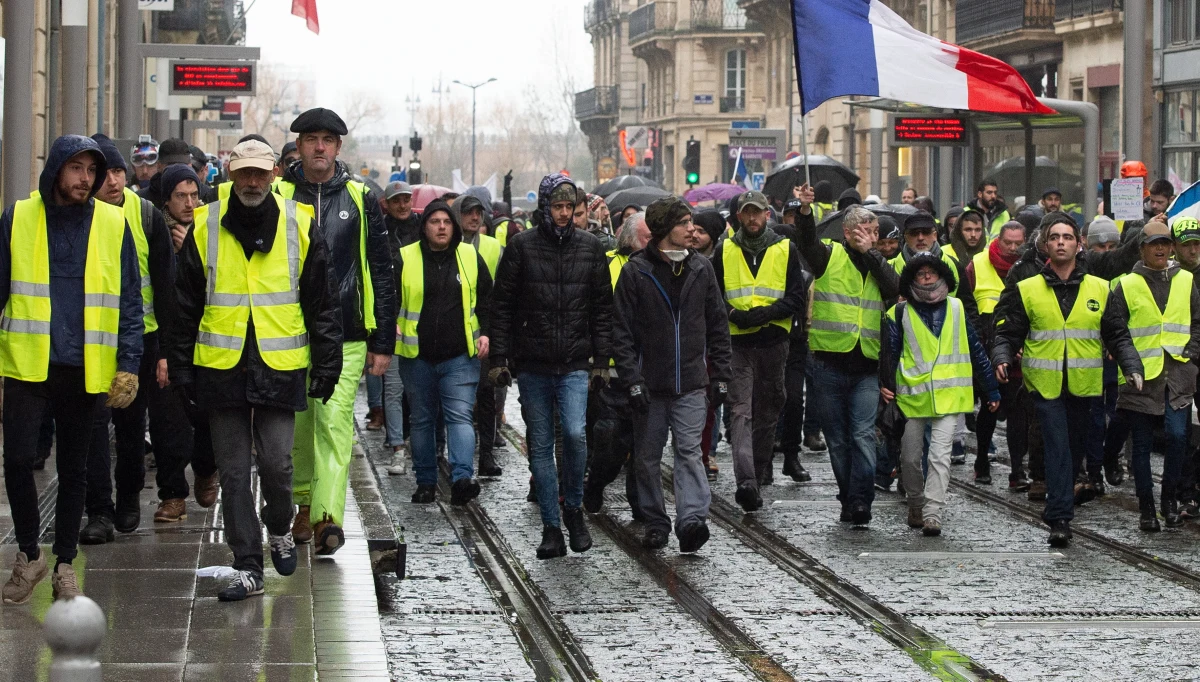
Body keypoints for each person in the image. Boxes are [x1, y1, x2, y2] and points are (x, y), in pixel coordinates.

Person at [169, 139, 342, 601]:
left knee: (277, 464)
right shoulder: (204, 224)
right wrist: (182, 368)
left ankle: (281, 526)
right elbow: (183, 306)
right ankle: (247, 564)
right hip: (220, 364)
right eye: (243, 173)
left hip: (279, 363)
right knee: (232, 471)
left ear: (273, 175)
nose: (250, 182)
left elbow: (321, 303)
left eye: (259, 174)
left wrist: (328, 360)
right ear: (229, 174)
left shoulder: (300, 225)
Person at [1, 135, 144, 603]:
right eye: (76, 168)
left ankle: (64, 562)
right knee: (19, 459)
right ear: (57, 170)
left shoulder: (112, 221)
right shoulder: (18, 217)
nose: (85, 179)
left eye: (92, 170)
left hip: (87, 365)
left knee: (75, 469)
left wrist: (128, 363)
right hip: (28, 363)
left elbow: (128, 299)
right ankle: (29, 554)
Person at [277, 108, 397, 556]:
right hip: (291, 329)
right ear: (300, 146)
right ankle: (304, 504)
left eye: (328, 139)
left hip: (347, 332)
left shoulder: (361, 197)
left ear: (339, 147)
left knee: (333, 421)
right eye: (312, 139)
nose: (320, 147)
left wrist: (382, 340)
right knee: (300, 423)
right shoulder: (280, 193)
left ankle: (329, 517)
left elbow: (381, 270)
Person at [488, 173, 613, 559]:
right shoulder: (521, 247)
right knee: (541, 445)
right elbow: (502, 306)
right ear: (546, 207)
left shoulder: (591, 248)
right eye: (557, 207)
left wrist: (602, 361)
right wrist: (499, 359)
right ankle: (550, 526)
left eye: (570, 208)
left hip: (575, 361)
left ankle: (572, 507)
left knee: (575, 435)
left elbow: (602, 308)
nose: (563, 214)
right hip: (534, 363)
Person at [79, 135, 187, 544]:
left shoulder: (145, 216)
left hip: (140, 341)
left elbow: (164, 286)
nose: (113, 180)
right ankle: (99, 511)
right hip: (91, 343)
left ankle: (127, 501)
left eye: (119, 171)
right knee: (92, 430)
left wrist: (164, 353)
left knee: (129, 430)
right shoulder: (79, 216)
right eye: (104, 173)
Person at [612, 197, 732, 552]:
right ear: (665, 230)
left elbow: (717, 325)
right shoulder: (636, 272)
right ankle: (655, 521)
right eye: (684, 223)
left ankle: (692, 520)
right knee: (647, 456)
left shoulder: (701, 269)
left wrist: (721, 373)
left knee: (689, 451)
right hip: (649, 385)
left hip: (692, 382)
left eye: (691, 222)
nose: (692, 229)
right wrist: (632, 379)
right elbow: (622, 333)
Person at [992, 216, 1114, 547]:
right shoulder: (1027, 286)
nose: (1061, 242)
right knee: (1058, 445)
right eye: (1055, 237)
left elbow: (1116, 331)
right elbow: (1008, 329)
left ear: (1078, 244)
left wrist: (1130, 363)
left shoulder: (1099, 288)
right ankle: (1060, 517)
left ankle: (1060, 499)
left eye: (1067, 237)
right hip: (1043, 384)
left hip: (1083, 384)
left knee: (1074, 449)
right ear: (1046, 245)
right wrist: (1002, 355)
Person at [881, 255, 999, 536]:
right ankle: (916, 502)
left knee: (940, 456)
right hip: (911, 397)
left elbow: (976, 350)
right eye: (920, 274)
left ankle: (932, 513)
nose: (926, 278)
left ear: (942, 277)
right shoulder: (899, 313)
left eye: (931, 273)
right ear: (911, 280)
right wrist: (885, 385)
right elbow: (889, 354)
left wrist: (991, 388)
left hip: (950, 397)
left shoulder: (957, 308)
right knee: (909, 459)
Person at [797, 202, 899, 525]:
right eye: (861, 231)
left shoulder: (878, 263)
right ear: (846, 232)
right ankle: (848, 496)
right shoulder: (829, 257)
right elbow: (807, 243)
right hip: (828, 364)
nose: (868, 236)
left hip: (866, 368)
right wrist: (803, 213)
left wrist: (873, 254)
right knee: (838, 439)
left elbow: (895, 288)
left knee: (863, 435)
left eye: (873, 232)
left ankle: (861, 500)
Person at [711, 190, 807, 512]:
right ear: (739, 216)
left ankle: (760, 466)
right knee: (740, 410)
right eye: (747, 213)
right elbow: (712, 296)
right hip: (737, 343)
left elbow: (796, 297)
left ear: (768, 215)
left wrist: (768, 313)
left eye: (758, 212)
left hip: (773, 343)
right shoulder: (724, 250)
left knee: (768, 409)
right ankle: (747, 482)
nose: (752, 218)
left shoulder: (785, 248)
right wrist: (734, 314)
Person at [1102, 220, 1200, 531]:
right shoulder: (1126, 284)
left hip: (1178, 373)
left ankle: (1169, 500)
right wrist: (1130, 364)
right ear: (1142, 249)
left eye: (1165, 243)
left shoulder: (1186, 280)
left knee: (1177, 436)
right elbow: (1115, 330)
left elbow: (1197, 321)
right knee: (1142, 445)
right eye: (1153, 244)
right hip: (1140, 376)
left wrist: (1192, 351)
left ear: (1172, 247)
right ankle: (1147, 508)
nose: (1160, 248)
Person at [395, 200, 492, 504]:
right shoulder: (405, 257)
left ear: (454, 226)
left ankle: (462, 478)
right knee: (422, 420)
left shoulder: (469, 256)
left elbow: (488, 299)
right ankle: (425, 481)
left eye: (446, 222)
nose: (441, 227)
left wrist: (486, 332)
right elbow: (389, 298)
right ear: (424, 227)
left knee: (460, 416)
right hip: (417, 356)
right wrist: (390, 330)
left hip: (459, 356)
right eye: (434, 221)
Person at [583, 211, 650, 512]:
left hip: (647, 369)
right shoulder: (608, 264)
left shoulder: (660, 267)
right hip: (610, 371)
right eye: (648, 237)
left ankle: (640, 504)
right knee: (612, 441)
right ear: (632, 239)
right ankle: (596, 482)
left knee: (644, 443)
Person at [966, 221, 1029, 487]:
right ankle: (982, 461)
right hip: (985, 350)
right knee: (989, 409)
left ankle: (1017, 470)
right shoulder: (977, 266)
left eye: (1018, 244)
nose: (1013, 248)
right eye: (1008, 243)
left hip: (1017, 350)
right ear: (998, 240)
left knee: (1018, 414)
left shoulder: (1028, 268)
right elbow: (967, 307)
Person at [455, 194, 504, 477]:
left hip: (484, 330)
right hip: (453, 332)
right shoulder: (446, 242)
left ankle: (486, 453)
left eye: (479, 212)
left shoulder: (493, 247)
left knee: (487, 393)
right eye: (469, 212)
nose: (475, 217)